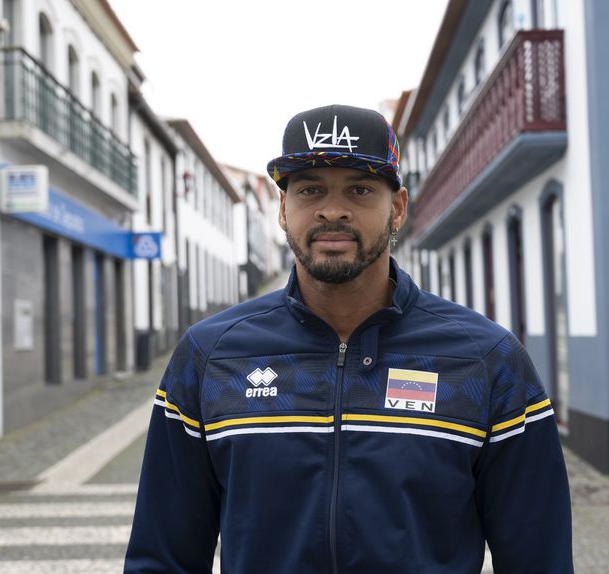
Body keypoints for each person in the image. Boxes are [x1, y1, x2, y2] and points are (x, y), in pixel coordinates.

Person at [125, 104, 573, 573]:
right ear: (283, 209)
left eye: (359, 190)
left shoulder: (487, 361)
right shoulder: (211, 357)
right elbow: (162, 557)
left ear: (396, 208)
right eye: (310, 190)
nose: (333, 210)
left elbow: (539, 559)